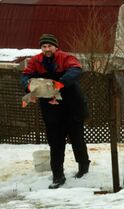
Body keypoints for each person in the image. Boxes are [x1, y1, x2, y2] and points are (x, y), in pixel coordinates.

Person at [21, 33, 90, 189]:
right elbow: (25, 76)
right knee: (55, 143)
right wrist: (28, 87)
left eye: (49, 46)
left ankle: (83, 167)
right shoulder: (35, 61)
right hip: (51, 109)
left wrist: (58, 84)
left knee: (77, 139)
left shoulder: (65, 58)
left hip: (72, 105)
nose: (47, 49)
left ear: (56, 47)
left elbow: (76, 70)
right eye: (44, 46)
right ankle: (58, 175)